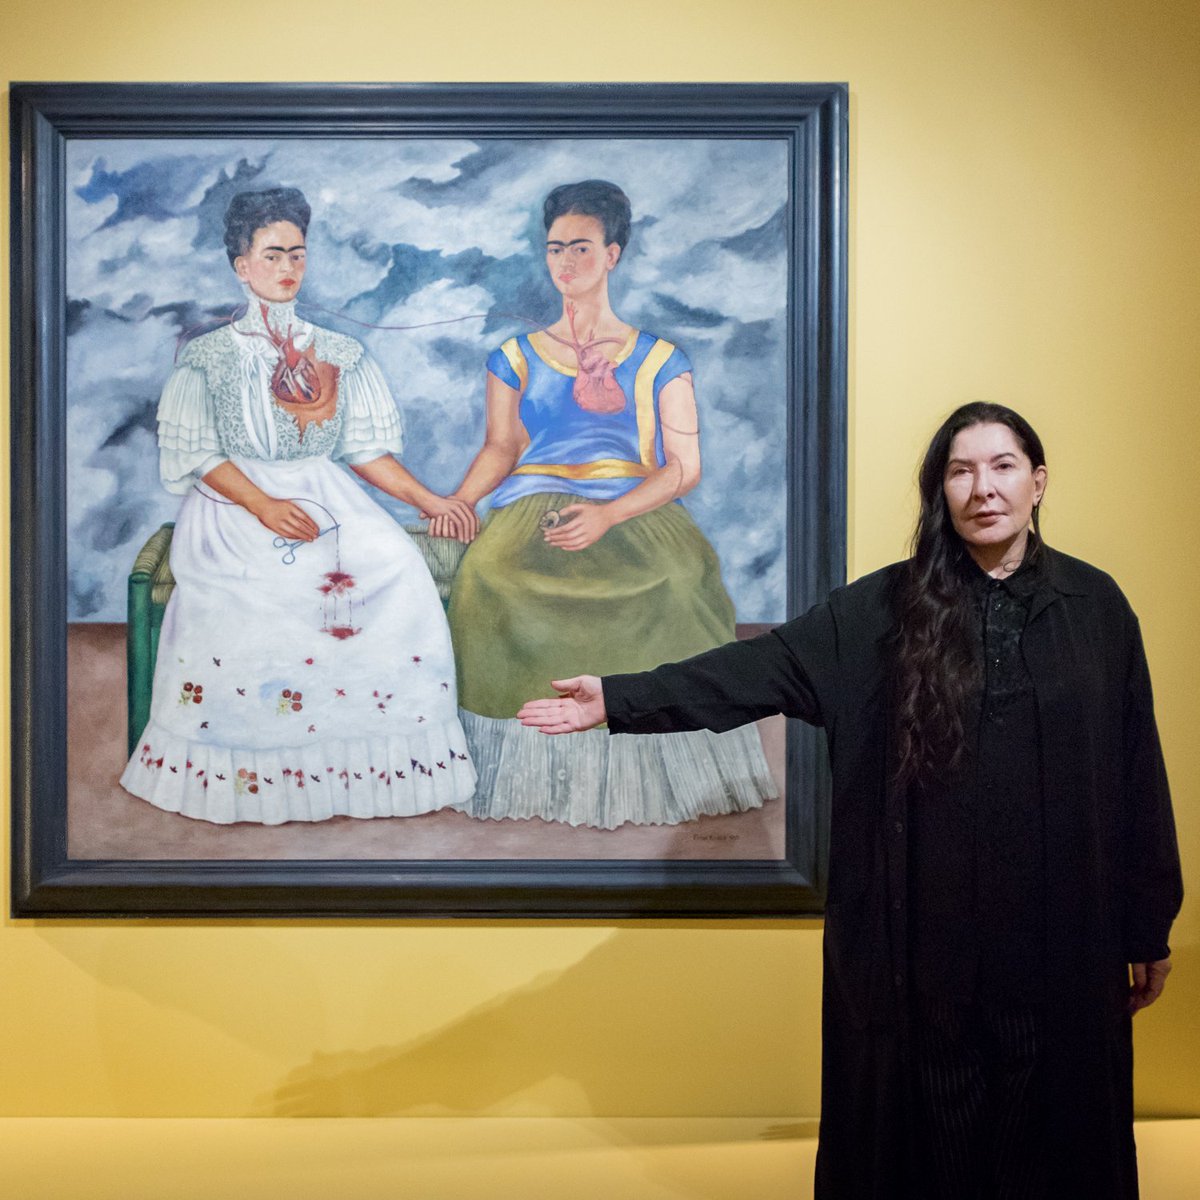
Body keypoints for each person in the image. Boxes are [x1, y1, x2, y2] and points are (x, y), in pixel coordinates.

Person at [518, 402, 1183, 1198]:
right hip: (924, 953)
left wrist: (1148, 924)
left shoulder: (1096, 609)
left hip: (1061, 943)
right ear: (940, 491)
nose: (983, 488)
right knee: (932, 1135)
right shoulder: (877, 613)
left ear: (1037, 483)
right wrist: (620, 699)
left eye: (1003, 467)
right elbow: (751, 674)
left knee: (1054, 1133)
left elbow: (1138, 768)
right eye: (960, 470)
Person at [120, 187, 478, 824]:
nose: (288, 268)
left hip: (324, 490)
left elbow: (364, 451)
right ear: (242, 265)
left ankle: (359, 770)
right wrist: (262, 504)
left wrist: (431, 499)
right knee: (266, 584)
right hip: (232, 502)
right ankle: (260, 771)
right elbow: (200, 454)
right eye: (273, 254)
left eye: (298, 255)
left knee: (392, 563)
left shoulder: (338, 353)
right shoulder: (207, 358)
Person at [443, 179, 775, 828]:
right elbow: (501, 447)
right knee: (487, 578)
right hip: (531, 507)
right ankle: (518, 775)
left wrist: (609, 514)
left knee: (679, 582)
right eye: (555, 248)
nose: (566, 262)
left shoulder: (658, 359)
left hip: (636, 506)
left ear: (613, 254)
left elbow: (685, 467)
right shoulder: (513, 355)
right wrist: (459, 499)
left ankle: (662, 776)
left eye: (582, 247)